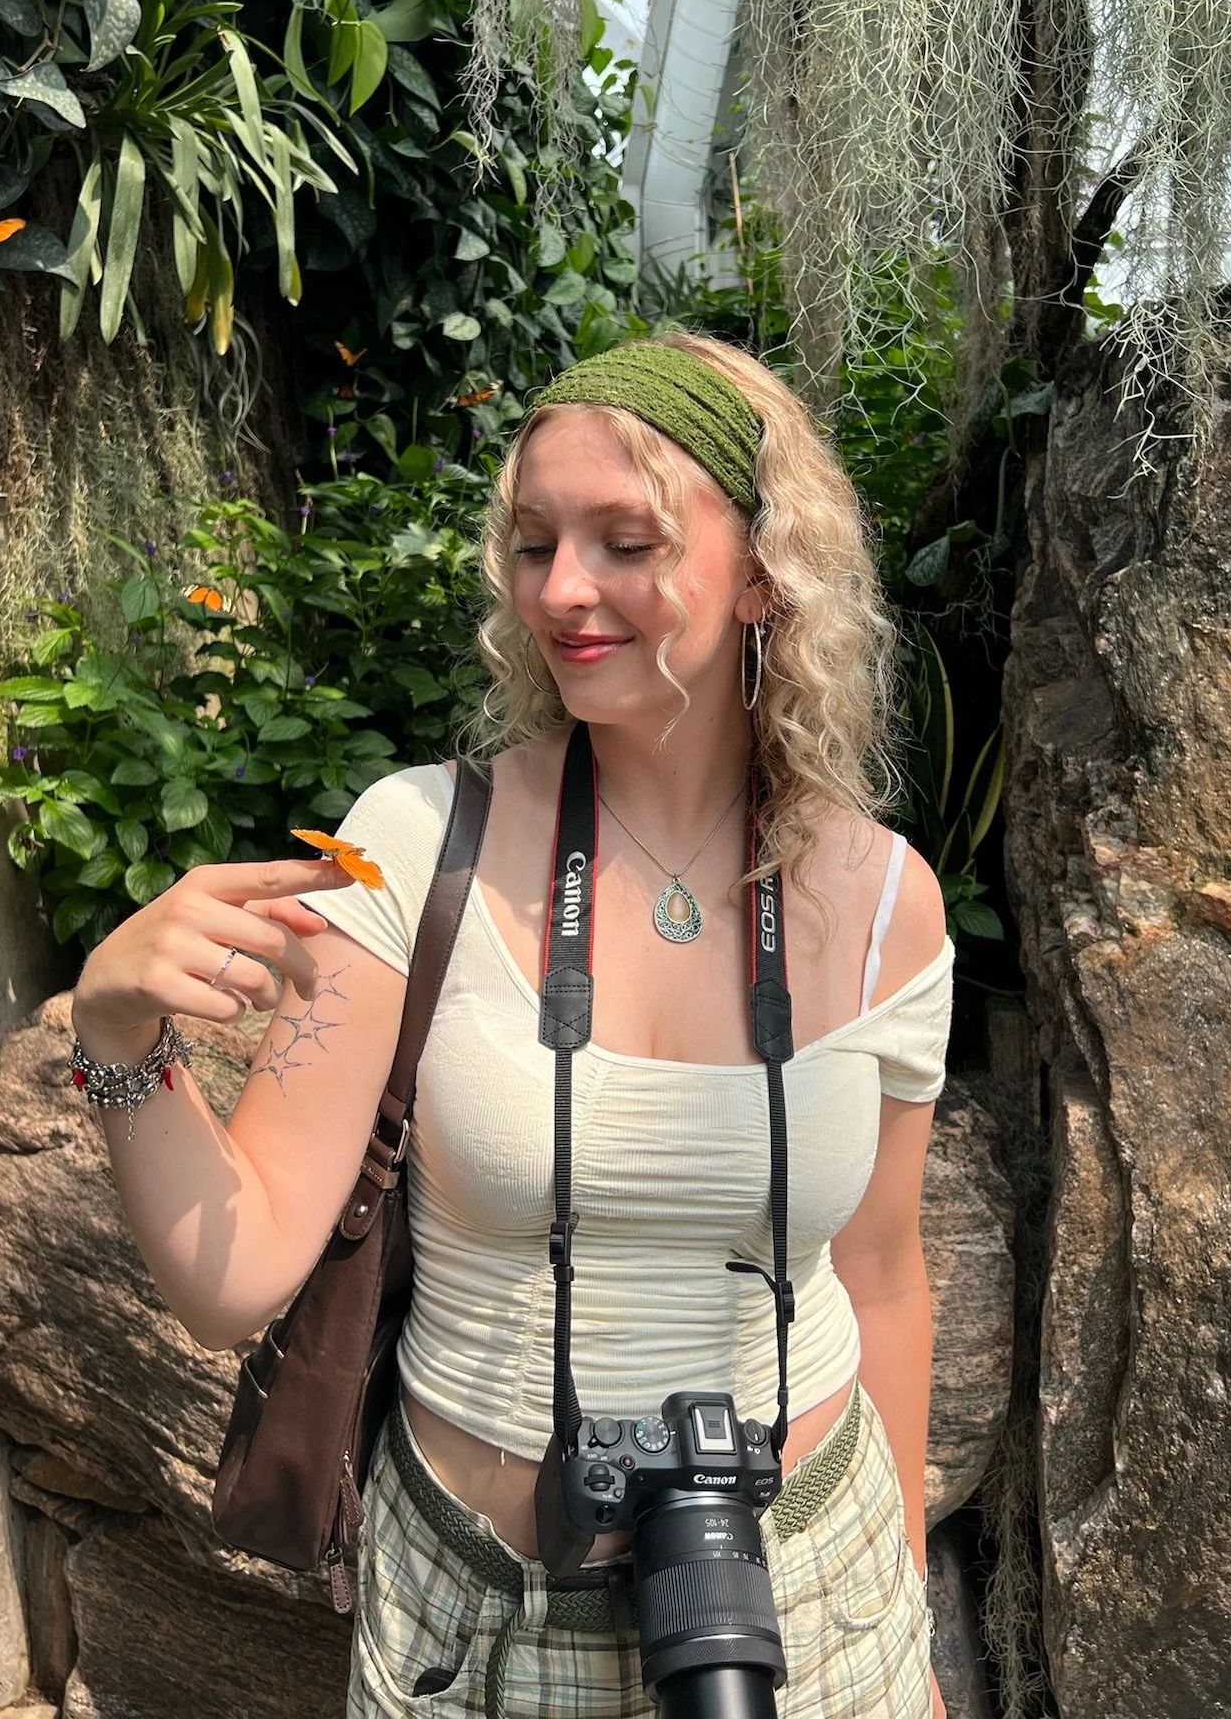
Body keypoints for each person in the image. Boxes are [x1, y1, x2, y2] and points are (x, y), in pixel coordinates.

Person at [70, 331, 953, 1719]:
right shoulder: (412, 846)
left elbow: (886, 1278)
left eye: (625, 539)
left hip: (817, 1605)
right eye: (535, 542)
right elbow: (228, 1278)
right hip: (479, 1628)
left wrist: (895, 1597)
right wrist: (121, 1042)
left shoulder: (888, 899)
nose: (565, 588)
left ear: (769, 570)